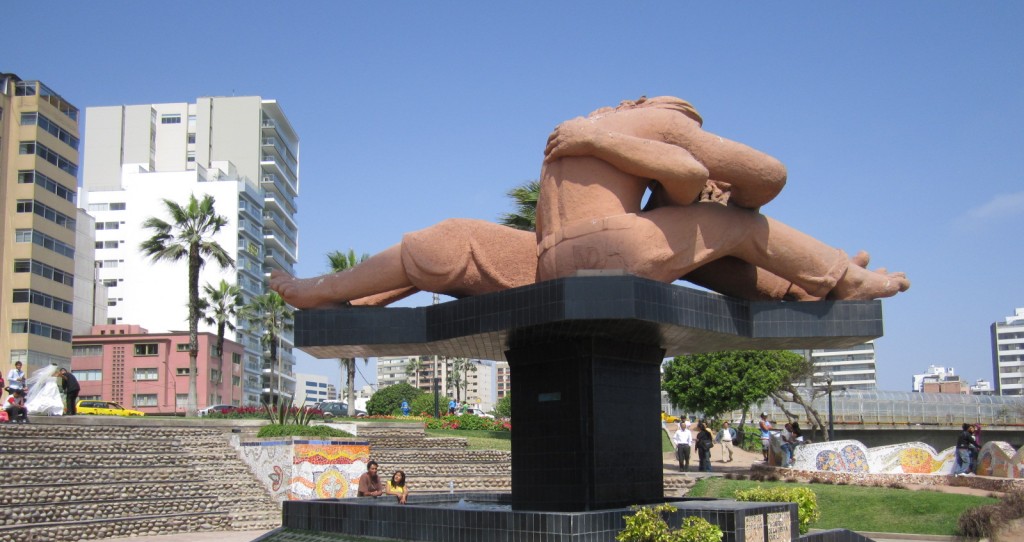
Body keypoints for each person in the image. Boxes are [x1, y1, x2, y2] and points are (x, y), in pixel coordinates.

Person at [270, 97, 908, 308]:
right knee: (733, 224)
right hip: (613, 249)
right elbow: (757, 175)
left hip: (547, 262)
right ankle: (839, 278)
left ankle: (331, 291)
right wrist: (703, 186)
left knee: (449, 240)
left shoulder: (570, 132)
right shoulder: (661, 121)